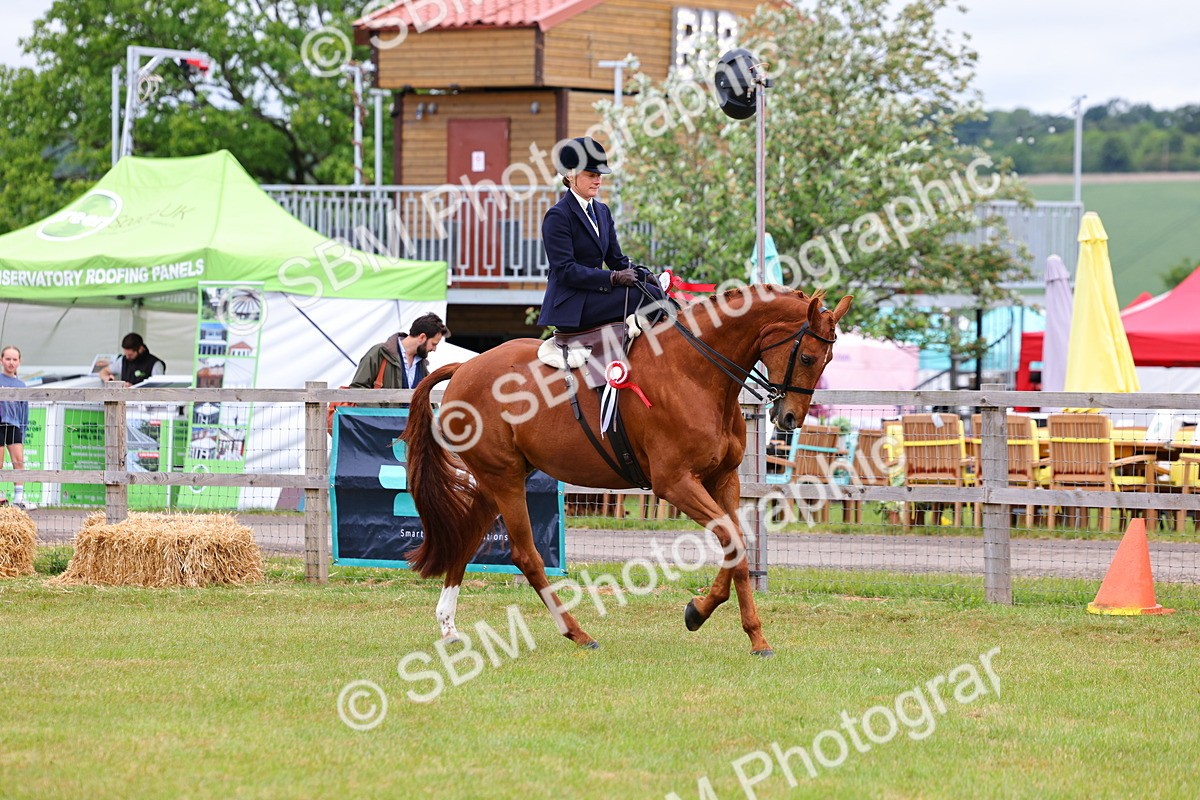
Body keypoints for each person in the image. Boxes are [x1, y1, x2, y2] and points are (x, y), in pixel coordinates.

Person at [537, 136, 667, 332]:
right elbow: (566, 271)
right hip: (571, 303)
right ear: (571, 175)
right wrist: (612, 278)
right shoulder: (558, 216)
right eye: (591, 175)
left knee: (654, 291)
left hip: (594, 295)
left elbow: (617, 260)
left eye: (600, 175)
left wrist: (646, 275)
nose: (598, 181)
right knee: (640, 296)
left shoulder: (602, 211)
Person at [350, 312, 450, 394]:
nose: (434, 349)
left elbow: (426, 399)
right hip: (380, 419)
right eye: (433, 344)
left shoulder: (422, 364)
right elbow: (357, 388)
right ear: (422, 337)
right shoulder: (379, 353)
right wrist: (378, 415)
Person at [0, 346, 36, 510]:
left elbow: (24, 411)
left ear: (19, 362)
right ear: (1, 360)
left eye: (14, 359)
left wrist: (23, 429)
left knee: (18, 460)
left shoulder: (21, 384)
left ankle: (19, 498)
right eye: (8, 359)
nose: (11, 362)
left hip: (14, 426)